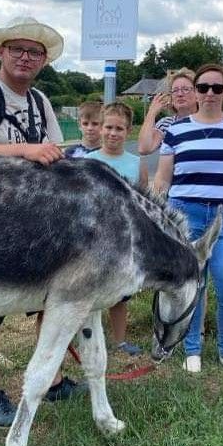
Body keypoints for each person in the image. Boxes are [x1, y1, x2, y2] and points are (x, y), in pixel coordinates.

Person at [0, 16, 82, 427]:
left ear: (43, 60)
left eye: (35, 52)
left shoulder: (39, 101)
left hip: (34, 216)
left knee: (49, 298)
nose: (26, 57)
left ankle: (53, 377)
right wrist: (28, 150)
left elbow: (51, 149)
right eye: (18, 50)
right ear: (1, 52)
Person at [154, 63, 223, 376]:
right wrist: (158, 218)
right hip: (184, 216)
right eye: (203, 88)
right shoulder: (175, 130)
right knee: (193, 286)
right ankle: (192, 349)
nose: (210, 93)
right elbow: (163, 179)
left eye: (217, 87)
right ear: (195, 92)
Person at [86, 102, 148, 356]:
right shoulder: (87, 162)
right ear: (100, 128)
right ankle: (88, 341)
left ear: (128, 131)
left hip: (124, 239)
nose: (113, 133)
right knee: (89, 293)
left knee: (120, 295)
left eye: (119, 128)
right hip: (92, 239)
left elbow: (143, 202)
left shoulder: (136, 163)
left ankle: (120, 340)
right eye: (109, 127)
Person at [137, 69, 198, 155]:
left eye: (185, 89)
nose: (180, 94)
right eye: (175, 90)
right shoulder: (166, 124)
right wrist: (152, 112)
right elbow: (144, 148)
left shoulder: (208, 122)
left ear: (197, 93)